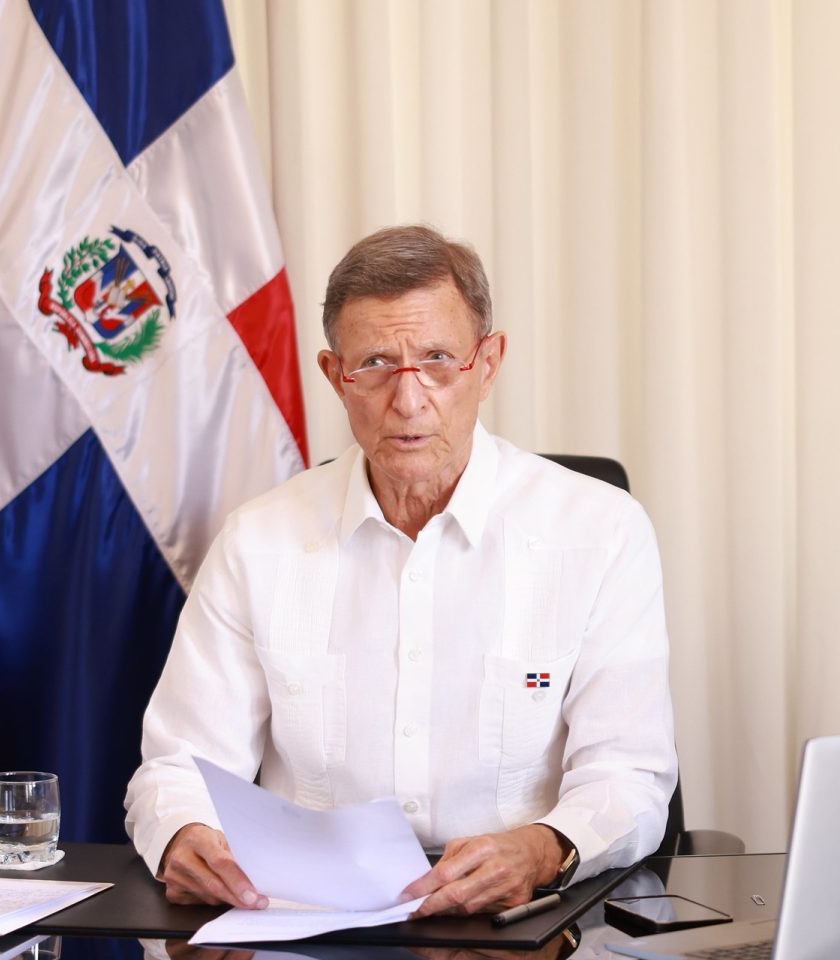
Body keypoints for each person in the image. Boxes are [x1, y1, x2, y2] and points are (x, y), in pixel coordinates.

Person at [124, 224, 676, 917]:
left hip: (519, 922)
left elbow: (629, 776)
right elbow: (179, 767)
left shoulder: (600, 532)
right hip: (311, 922)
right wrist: (185, 834)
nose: (408, 402)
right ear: (336, 377)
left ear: (488, 364)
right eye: (377, 365)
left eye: (438, 360)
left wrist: (541, 849)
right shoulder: (257, 541)